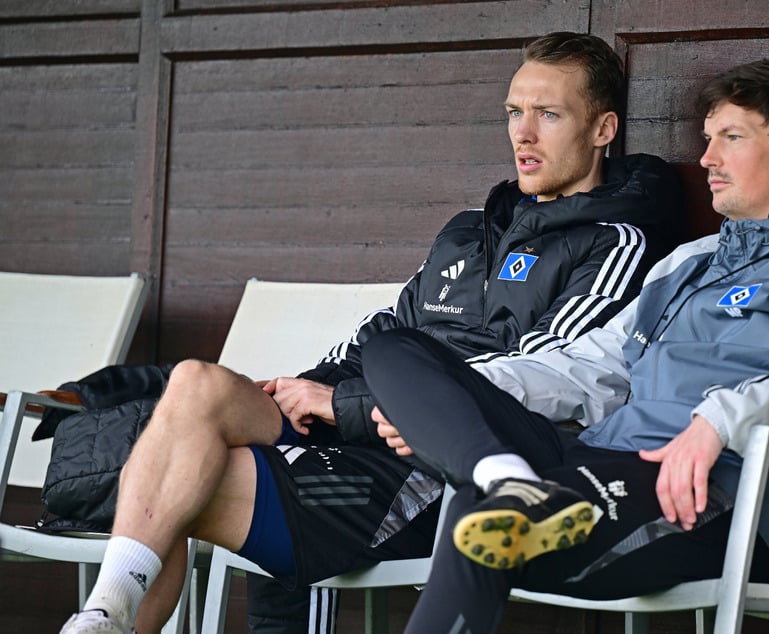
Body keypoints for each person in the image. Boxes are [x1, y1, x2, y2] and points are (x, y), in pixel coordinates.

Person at [58, 32, 685, 634]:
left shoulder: (617, 243)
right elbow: (381, 330)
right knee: (199, 385)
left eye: (548, 114)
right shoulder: (469, 229)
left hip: (427, 461)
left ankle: (111, 615)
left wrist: (348, 404)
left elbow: (541, 375)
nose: (522, 133)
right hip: (350, 424)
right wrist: (308, 388)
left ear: (603, 130)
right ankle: (103, 617)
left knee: (184, 487)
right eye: (514, 111)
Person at [359, 58, 769, 633]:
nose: (706, 158)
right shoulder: (689, 262)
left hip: (709, 491)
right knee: (396, 352)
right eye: (708, 140)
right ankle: (510, 479)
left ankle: (509, 493)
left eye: (730, 138)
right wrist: (471, 393)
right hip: (594, 460)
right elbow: (595, 367)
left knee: (477, 520)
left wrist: (721, 419)